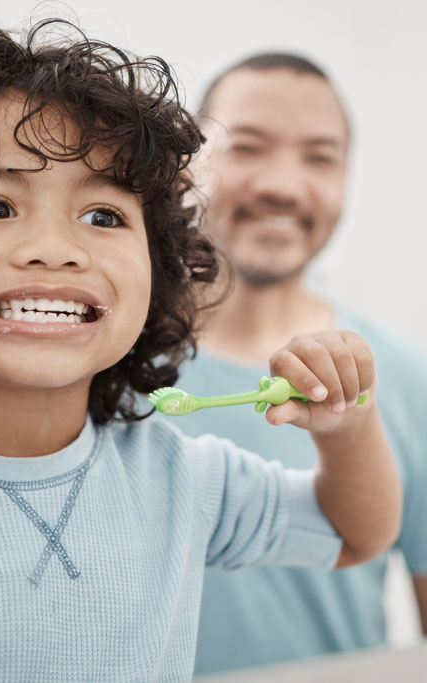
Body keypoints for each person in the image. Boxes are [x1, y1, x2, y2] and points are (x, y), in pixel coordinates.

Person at [0, 14, 402, 681]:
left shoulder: (184, 481)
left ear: (156, 271)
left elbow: (355, 532)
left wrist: (348, 429)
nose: (56, 250)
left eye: (103, 216)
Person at [173, 53, 427, 675]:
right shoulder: (96, 365)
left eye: (319, 157)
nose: (283, 185)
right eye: (248, 147)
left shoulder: (407, 381)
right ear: (185, 164)